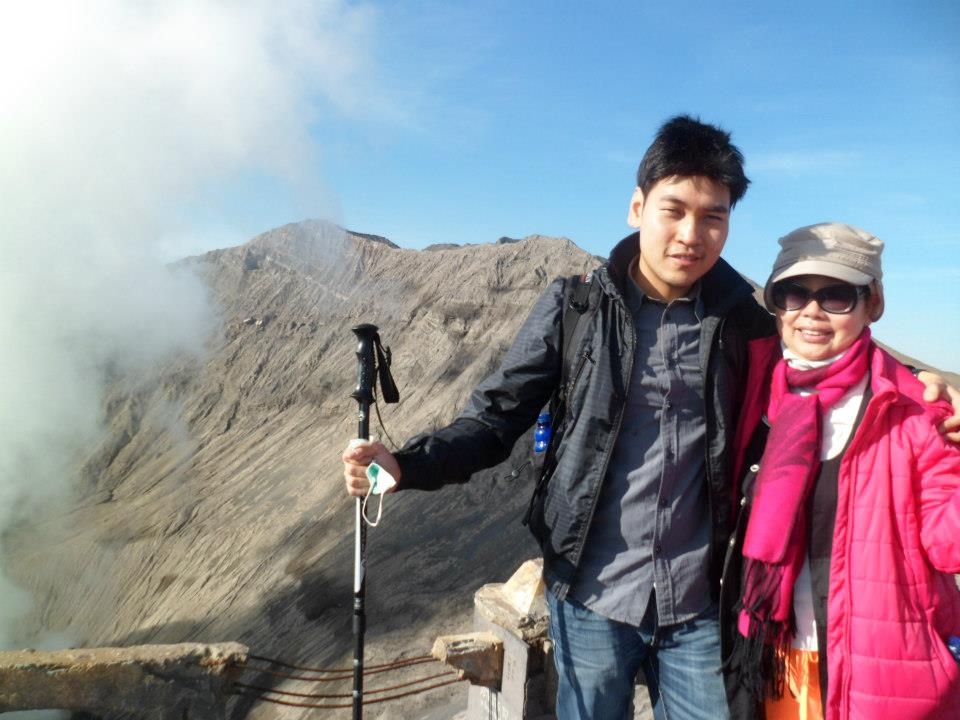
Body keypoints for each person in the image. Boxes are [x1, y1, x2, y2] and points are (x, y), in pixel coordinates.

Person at [343, 117, 960, 720]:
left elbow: (829, 369)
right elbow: (497, 414)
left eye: (713, 216)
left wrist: (929, 395)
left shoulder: (745, 325)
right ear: (637, 207)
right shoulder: (576, 307)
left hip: (700, 602)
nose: (692, 234)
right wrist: (407, 465)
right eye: (675, 209)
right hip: (591, 594)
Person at [721, 223, 960, 719]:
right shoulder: (753, 389)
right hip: (773, 660)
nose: (811, 311)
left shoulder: (917, 411)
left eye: (836, 296)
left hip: (881, 675)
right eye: (792, 293)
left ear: (873, 303)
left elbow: (950, 544)